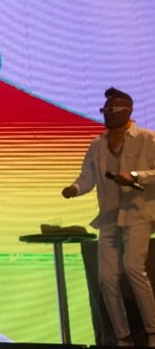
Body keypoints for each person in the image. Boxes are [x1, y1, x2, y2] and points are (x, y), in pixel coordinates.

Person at [62, 87, 155, 347]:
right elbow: (87, 178)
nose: (107, 115)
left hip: (138, 214)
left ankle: (152, 332)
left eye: (112, 111)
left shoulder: (147, 139)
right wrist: (74, 189)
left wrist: (137, 176)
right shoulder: (98, 144)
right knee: (105, 278)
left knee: (133, 268)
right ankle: (123, 336)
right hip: (109, 216)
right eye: (105, 111)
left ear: (127, 111)